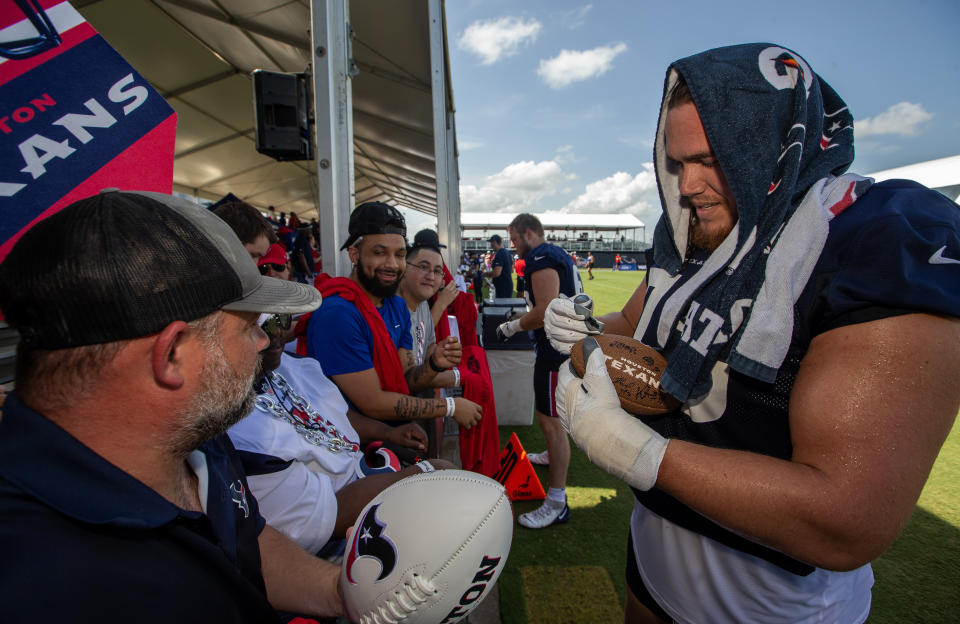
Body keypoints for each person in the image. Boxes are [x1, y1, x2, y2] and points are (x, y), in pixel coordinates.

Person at [546, 44, 960, 623]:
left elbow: (845, 518)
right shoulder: (692, 236)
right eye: (676, 161)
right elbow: (632, 331)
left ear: (778, 144)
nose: (688, 185)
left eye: (711, 158)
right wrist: (581, 328)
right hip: (652, 562)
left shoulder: (868, 237)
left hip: (773, 607)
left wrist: (639, 453)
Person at [0, 190, 344, 621]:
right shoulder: (41, 584)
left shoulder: (196, 432)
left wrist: (340, 592)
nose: (262, 341)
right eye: (247, 327)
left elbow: (245, 538)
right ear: (172, 355)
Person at [229, 312, 452, 556]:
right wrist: (421, 477)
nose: (275, 334)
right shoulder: (238, 432)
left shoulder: (291, 363)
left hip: (366, 479)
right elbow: (324, 517)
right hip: (336, 546)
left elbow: (334, 413)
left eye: (281, 320)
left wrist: (387, 432)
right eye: (260, 325)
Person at [305, 202, 482, 437]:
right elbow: (372, 402)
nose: (391, 264)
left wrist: (434, 364)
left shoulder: (396, 306)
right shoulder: (337, 314)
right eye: (380, 253)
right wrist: (449, 407)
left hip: (393, 432)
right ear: (355, 253)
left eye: (399, 255)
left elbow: (407, 378)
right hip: (346, 443)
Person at [497, 213, 584, 528]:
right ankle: (551, 456)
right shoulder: (555, 254)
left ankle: (557, 501)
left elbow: (546, 309)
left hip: (556, 349)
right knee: (552, 418)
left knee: (551, 422)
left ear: (529, 234)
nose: (513, 246)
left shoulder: (540, 256)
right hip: (565, 346)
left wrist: (511, 327)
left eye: (515, 239)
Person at [484, 234, 513, 299]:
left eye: (491, 243)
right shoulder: (507, 252)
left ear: (494, 242)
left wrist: (485, 274)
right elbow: (511, 270)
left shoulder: (500, 254)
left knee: (501, 307)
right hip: (507, 284)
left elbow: (496, 273)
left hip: (502, 287)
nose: (491, 245)